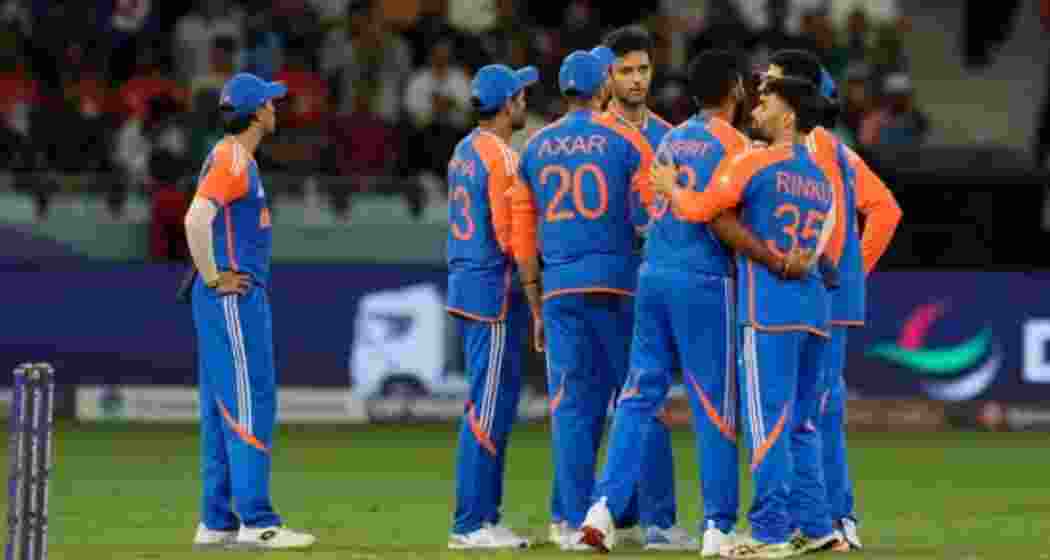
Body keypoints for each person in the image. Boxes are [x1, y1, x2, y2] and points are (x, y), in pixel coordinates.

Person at [578, 49, 811, 556]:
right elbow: (722, 220)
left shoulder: (671, 139)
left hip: (653, 273)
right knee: (714, 406)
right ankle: (717, 527)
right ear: (734, 91)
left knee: (637, 397)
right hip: (704, 280)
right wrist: (774, 258)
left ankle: (602, 509)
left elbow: (647, 203)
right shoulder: (738, 146)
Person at [649, 70, 838, 559]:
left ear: (788, 114)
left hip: (769, 312)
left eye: (766, 101)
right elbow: (827, 255)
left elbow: (705, 211)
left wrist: (671, 187)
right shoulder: (820, 178)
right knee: (801, 425)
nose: (755, 109)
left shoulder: (753, 163)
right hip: (815, 311)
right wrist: (798, 261)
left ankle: (771, 533)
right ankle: (817, 525)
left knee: (767, 424)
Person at [509, 49, 653, 551]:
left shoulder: (535, 146)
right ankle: (627, 515)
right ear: (603, 89)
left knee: (570, 408)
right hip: (618, 286)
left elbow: (521, 234)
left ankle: (571, 521)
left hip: (560, 291)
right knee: (631, 403)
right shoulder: (627, 139)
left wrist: (533, 298)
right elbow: (649, 213)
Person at [767, 52, 901, 552]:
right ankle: (825, 517)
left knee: (812, 412)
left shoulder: (814, 150)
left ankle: (832, 518)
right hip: (826, 296)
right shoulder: (839, 151)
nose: (763, 92)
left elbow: (858, 220)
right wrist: (852, 271)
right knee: (818, 410)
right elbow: (884, 210)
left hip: (815, 296)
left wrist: (844, 271)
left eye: (773, 85)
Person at [183, 73, 315, 550]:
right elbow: (195, 220)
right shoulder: (235, 159)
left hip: (221, 296)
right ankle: (257, 521)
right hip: (233, 297)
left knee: (221, 409)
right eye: (271, 103)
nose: (276, 109)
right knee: (248, 401)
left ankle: (216, 521)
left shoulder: (231, 156)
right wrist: (217, 276)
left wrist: (212, 278)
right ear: (257, 112)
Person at [445, 63, 539, 550]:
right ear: (507, 105)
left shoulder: (463, 150)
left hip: (468, 284)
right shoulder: (501, 156)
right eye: (522, 95)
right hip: (494, 294)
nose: (526, 102)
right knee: (488, 407)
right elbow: (510, 236)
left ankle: (481, 517)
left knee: (489, 404)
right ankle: (472, 522)